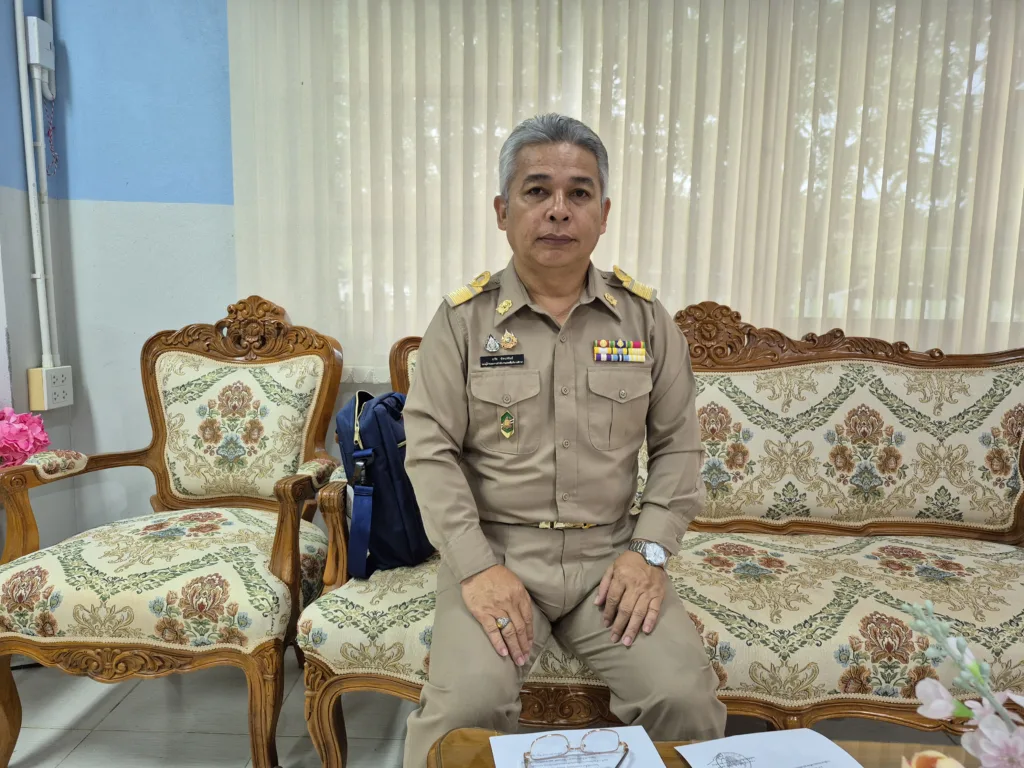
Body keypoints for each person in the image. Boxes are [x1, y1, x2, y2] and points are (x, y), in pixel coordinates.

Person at [402, 113, 726, 767]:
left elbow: (679, 448)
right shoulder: (462, 322)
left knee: (685, 700)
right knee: (461, 714)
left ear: (603, 214)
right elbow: (431, 453)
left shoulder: (643, 320)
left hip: (610, 557)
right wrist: (477, 568)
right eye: (537, 190)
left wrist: (649, 553)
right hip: (498, 552)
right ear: (503, 210)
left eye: (579, 193)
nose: (558, 210)